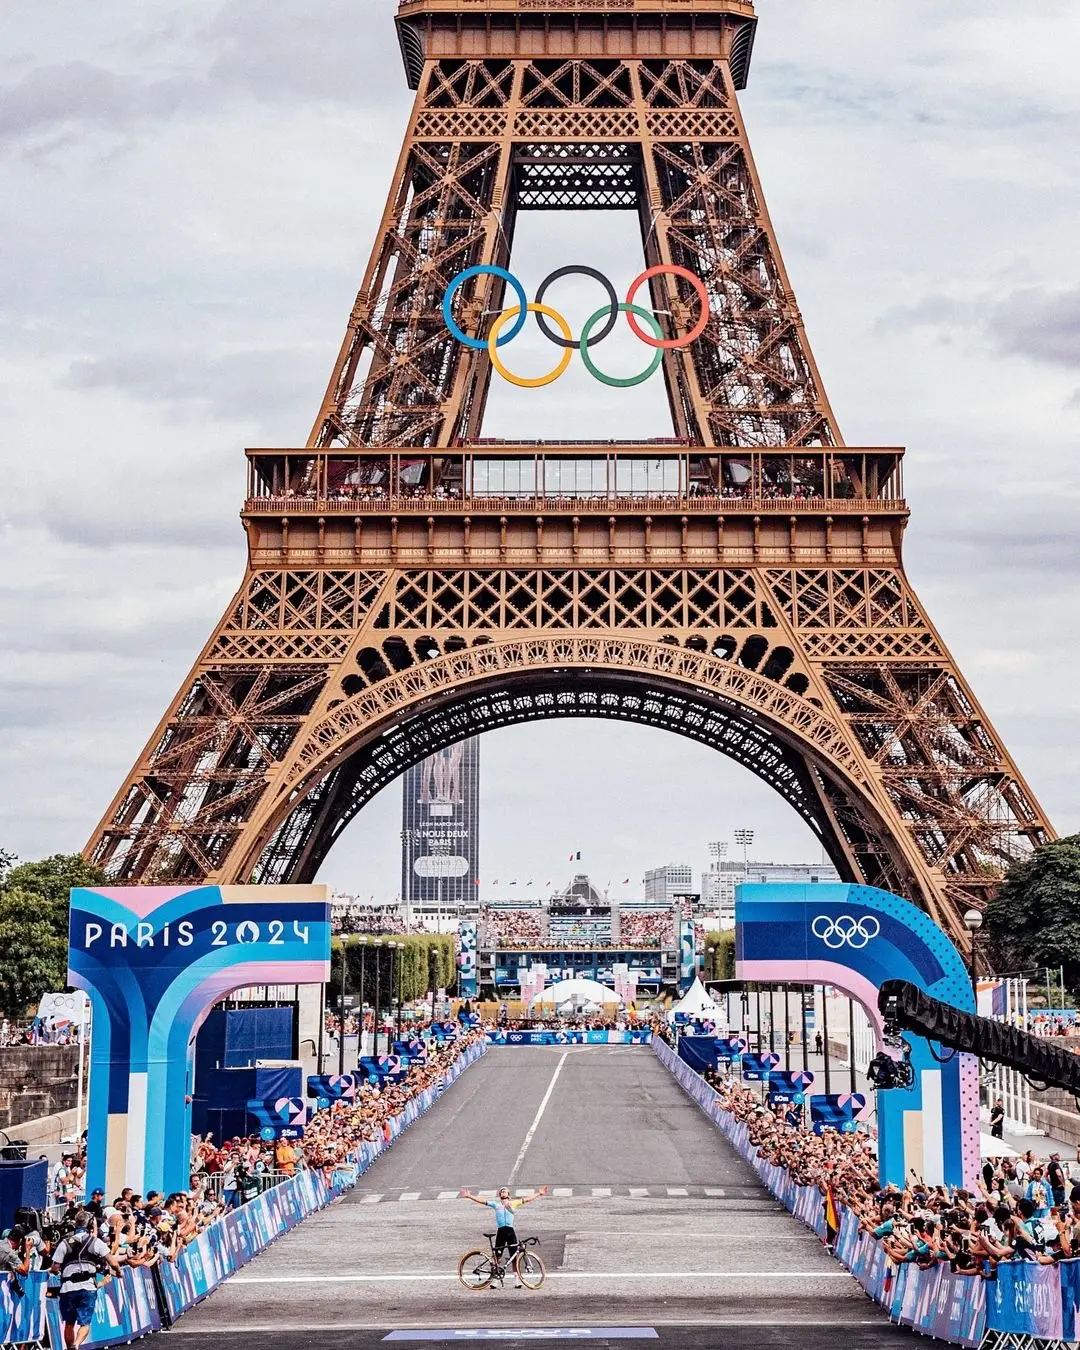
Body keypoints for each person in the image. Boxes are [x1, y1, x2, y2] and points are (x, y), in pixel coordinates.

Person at [50, 1212, 122, 1350]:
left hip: (67, 1288)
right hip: (87, 1288)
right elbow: (113, 1262)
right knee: (85, 1323)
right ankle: (76, 1344)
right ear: (90, 1225)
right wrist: (119, 1272)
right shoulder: (96, 1242)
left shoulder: (64, 1243)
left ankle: (70, 1347)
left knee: (69, 1323)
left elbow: (55, 1267)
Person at [459, 1186, 549, 1282]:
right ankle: (495, 1280)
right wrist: (469, 1196)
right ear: (499, 1195)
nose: (503, 1192)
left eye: (505, 1191)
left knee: (514, 1256)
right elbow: (482, 1201)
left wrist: (539, 1193)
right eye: (501, 1191)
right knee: (497, 1257)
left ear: (508, 1195)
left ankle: (517, 1280)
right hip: (501, 1232)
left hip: (510, 1232)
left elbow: (527, 1199)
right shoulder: (496, 1205)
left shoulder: (513, 1203)